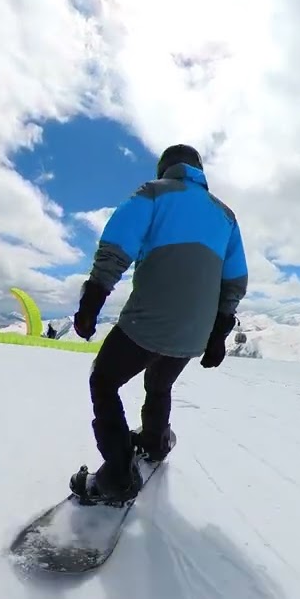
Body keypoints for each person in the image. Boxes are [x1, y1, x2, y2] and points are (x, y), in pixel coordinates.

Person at [69, 144, 248, 503]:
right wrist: (217, 334)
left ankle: (118, 477)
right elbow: (235, 280)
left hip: (148, 322)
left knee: (104, 380)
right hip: (194, 333)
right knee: (159, 380)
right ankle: (154, 440)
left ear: (165, 168)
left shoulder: (153, 193)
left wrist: (93, 298)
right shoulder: (226, 216)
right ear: (198, 171)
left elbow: (116, 246)